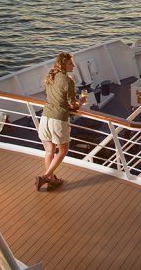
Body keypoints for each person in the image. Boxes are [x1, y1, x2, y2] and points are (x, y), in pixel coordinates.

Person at [35, 52, 87, 191]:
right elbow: (72, 105)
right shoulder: (68, 81)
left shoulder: (50, 76)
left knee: (49, 151)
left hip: (45, 117)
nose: (74, 66)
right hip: (58, 119)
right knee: (63, 150)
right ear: (63, 64)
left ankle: (51, 180)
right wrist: (81, 102)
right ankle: (45, 177)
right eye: (71, 63)